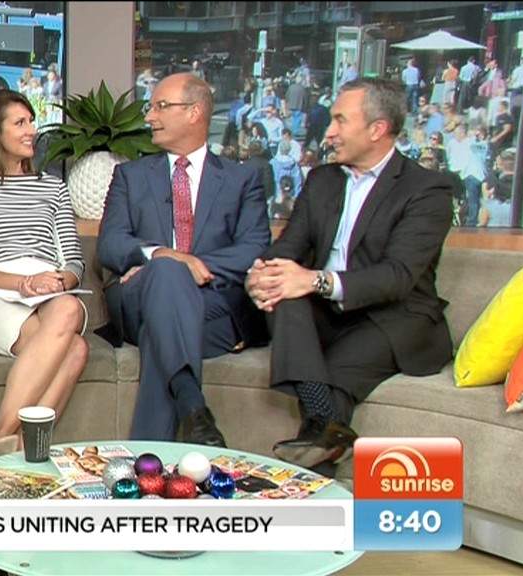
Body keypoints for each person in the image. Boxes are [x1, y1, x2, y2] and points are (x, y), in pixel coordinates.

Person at [245, 77, 454, 476]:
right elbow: (289, 247)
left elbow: (397, 276)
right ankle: (327, 431)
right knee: (285, 293)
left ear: (377, 129)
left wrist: (315, 280)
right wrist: (262, 275)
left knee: (335, 372)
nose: (329, 132)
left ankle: (317, 451)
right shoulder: (323, 179)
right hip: (327, 313)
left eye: (340, 120)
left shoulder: (427, 190)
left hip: (394, 316)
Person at [96, 73, 271, 445]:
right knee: (165, 271)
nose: (150, 117)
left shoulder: (242, 180)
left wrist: (188, 266)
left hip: (212, 305)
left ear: (194, 113)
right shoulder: (130, 176)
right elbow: (110, 243)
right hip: (138, 297)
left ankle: (160, 452)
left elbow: (254, 247)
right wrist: (164, 256)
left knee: (163, 322)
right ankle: (193, 406)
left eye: (161, 106)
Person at [0, 89, 89, 459]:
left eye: (31, 122)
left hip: (49, 293)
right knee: (75, 349)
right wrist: (21, 284)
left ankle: (3, 446)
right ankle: (14, 445)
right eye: (20, 123)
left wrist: (59, 281)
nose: (31, 131)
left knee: (69, 310)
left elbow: (74, 263)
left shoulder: (53, 188)